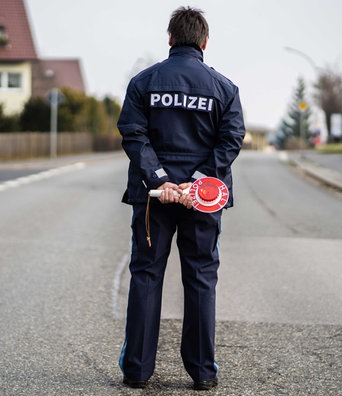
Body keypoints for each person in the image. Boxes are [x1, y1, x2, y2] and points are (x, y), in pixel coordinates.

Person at [117, 6, 245, 391]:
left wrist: (160, 178)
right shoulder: (225, 88)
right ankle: (203, 372)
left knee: (146, 275)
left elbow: (133, 134)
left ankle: (137, 370)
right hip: (203, 201)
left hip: (154, 197)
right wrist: (198, 181)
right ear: (205, 42)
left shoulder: (144, 82)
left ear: (170, 38)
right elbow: (231, 139)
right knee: (202, 278)